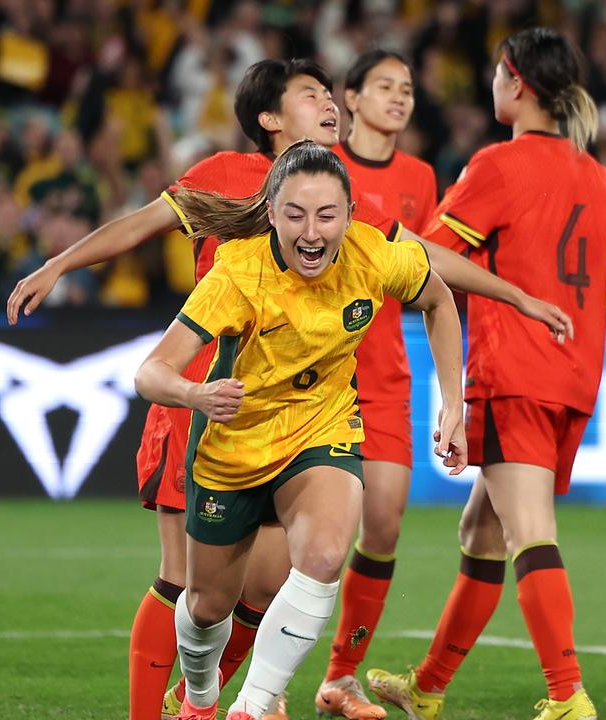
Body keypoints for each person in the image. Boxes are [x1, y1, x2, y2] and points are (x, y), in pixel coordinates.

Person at [5, 58, 570, 720]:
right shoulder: (225, 176)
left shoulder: (341, 196)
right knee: (188, 585)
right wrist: (60, 263)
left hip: (299, 417)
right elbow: (138, 226)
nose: (330, 103)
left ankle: (225, 702)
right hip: (206, 402)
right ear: (270, 120)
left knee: (272, 585)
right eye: (311, 95)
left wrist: (514, 294)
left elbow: (422, 264)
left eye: (331, 94)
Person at [366, 27, 606, 720]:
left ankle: (567, 695)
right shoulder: (598, 177)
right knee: (483, 531)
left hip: (513, 373)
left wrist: (367, 224)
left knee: (529, 528)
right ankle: (429, 686)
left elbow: (430, 259)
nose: (492, 84)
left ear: (516, 81)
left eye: (497, 74)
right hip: (575, 379)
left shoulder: (497, 166)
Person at [134, 139, 465, 720]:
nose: (312, 232)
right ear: (270, 212)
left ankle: (253, 708)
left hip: (321, 431)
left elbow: (440, 301)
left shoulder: (375, 255)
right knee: (208, 605)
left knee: (326, 552)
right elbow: (150, 372)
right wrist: (195, 394)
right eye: (295, 214)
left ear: (350, 216)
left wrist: (454, 404)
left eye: (327, 215)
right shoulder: (238, 273)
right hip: (233, 449)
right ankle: (201, 700)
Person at [313, 49, 440, 719]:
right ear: (350, 98)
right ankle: (236, 670)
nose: (399, 97)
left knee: (383, 526)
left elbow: (430, 270)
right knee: (304, 540)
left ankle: (340, 676)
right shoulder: (320, 165)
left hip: (386, 372)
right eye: (384, 87)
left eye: (408, 89)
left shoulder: (421, 176)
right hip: (315, 371)